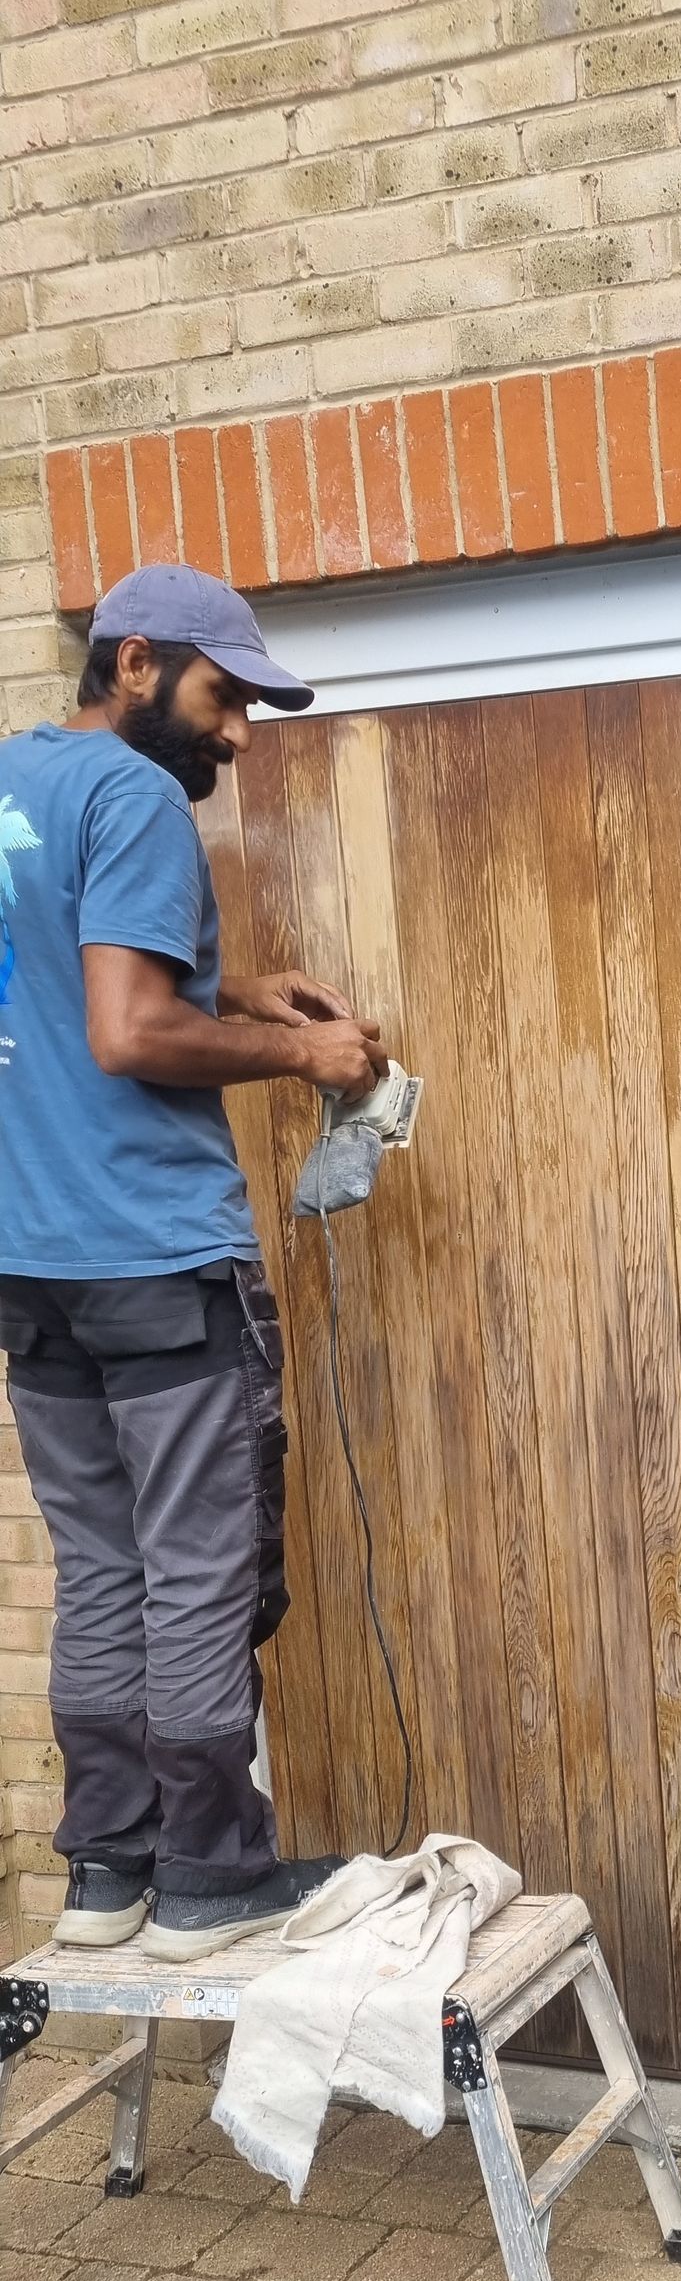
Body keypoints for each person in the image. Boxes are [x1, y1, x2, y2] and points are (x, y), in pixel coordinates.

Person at [0, 564, 387, 1962]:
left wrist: (232, 985)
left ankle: (110, 1873)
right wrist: (304, 1052)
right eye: (223, 698)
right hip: (157, 1257)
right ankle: (215, 1875)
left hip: (33, 1267)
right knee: (200, 1569)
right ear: (135, 660)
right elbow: (127, 1033)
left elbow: (64, 973)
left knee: (102, 1567)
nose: (235, 735)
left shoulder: (15, 787)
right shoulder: (136, 797)